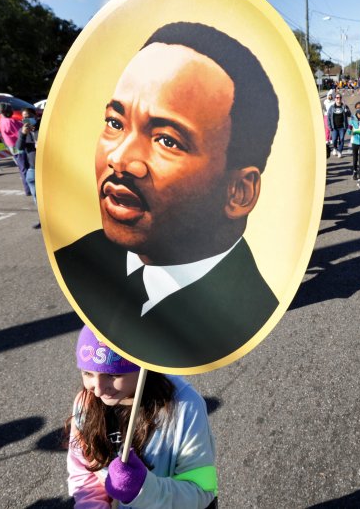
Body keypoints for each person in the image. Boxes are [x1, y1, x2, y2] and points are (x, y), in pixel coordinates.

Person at [54, 22, 279, 369]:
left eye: (167, 141)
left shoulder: (246, 315)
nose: (119, 159)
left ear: (239, 192)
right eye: (116, 123)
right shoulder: (77, 261)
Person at [67, 325, 217, 508]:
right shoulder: (86, 403)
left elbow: (201, 491)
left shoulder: (185, 406)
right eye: (87, 373)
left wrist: (143, 489)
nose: (97, 390)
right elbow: (84, 472)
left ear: (142, 365)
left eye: (113, 375)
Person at [0, 102, 31, 196]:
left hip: (12, 147)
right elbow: (20, 133)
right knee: (25, 167)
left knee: (22, 167)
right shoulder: (10, 121)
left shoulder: (2, 120)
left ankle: (28, 188)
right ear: (8, 111)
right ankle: (28, 189)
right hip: (18, 146)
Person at [15, 108, 40, 229]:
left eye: (29, 116)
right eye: (24, 117)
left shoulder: (42, 128)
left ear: (35, 116)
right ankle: (43, 220)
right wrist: (23, 134)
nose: (27, 119)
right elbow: (19, 147)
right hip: (32, 168)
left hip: (45, 169)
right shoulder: (22, 131)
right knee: (37, 198)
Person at [348, 101, 360, 188]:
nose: (359, 109)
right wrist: (350, 130)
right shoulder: (352, 118)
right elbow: (349, 131)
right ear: (355, 109)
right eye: (358, 108)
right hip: (354, 141)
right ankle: (355, 171)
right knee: (355, 158)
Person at [327, 92, 351, 157]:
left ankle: (340, 151)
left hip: (342, 127)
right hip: (334, 127)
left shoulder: (344, 106)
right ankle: (335, 148)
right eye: (337, 98)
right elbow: (328, 117)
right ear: (335, 99)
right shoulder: (331, 107)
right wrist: (329, 126)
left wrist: (346, 111)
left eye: (340, 98)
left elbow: (349, 114)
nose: (338, 99)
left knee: (341, 139)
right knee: (334, 140)